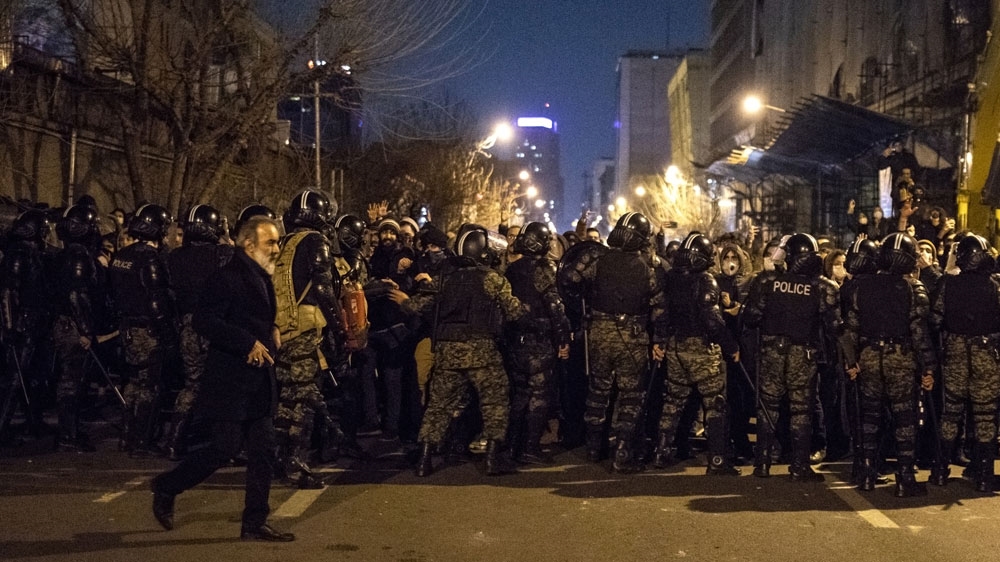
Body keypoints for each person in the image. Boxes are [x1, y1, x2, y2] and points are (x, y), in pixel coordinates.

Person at [150, 215, 295, 541]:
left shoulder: (261, 275)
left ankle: (254, 521)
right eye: (270, 242)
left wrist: (270, 328)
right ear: (249, 244)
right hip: (232, 381)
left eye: (277, 242)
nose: (276, 249)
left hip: (259, 382)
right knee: (222, 448)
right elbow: (204, 321)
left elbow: (254, 316)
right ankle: (167, 486)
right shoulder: (226, 277)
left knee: (263, 450)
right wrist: (246, 342)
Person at [391, 225, 526, 477]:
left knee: (438, 406)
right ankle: (492, 459)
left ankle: (424, 460)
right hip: (482, 352)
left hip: (447, 352)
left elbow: (417, 306)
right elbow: (514, 311)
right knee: (495, 402)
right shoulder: (492, 278)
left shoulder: (445, 279)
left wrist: (404, 300)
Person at [569, 212, 666, 473]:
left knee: (598, 391)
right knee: (631, 396)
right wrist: (659, 340)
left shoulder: (598, 260)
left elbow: (571, 279)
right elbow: (659, 307)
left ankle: (593, 448)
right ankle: (623, 452)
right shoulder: (647, 268)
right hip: (632, 337)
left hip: (599, 333)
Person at [843, 232, 936, 497]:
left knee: (870, 417)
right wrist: (929, 367)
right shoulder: (914, 289)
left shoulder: (862, 286)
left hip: (869, 356)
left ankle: (867, 474)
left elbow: (850, 329)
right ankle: (905, 478)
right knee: (904, 418)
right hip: (900, 357)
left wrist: (851, 361)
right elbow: (919, 333)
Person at [744, 233, 840, 481]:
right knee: (801, 410)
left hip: (771, 350)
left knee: (768, 406)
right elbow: (834, 327)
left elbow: (751, 318)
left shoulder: (767, 281)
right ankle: (799, 466)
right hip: (803, 353)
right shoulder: (822, 287)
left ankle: (762, 463)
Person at [652, 233, 740, 475]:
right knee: (715, 403)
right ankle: (718, 460)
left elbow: (662, 313)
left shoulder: (670, 278)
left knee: (673, 401)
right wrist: (731, 346)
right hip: (701, 348)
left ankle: (661, 452)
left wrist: (660, 340)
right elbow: (712, 320)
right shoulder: (706, 280)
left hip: (676, 346)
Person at [930, 234, 1000, 493]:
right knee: (985, 415)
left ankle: (940, 470)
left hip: (955, 352)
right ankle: (984, 475)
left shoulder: (948, 284)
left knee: (951, 413)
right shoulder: (996, 286)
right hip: (986, 354)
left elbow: (935, 320)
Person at [164, 204, 234, 460]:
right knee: (224, 384)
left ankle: (174, 441)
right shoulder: (222, 253)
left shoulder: (174, 257)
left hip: (188, 324)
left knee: (192, 384)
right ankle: (224, 445)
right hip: (215, 324)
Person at [109, 204, 177, 457]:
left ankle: (127, 436)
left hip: (127, 327)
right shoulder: (150, 258)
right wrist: (167, 333)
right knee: (150, 386)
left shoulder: (122, 256)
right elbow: (156, 300)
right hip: (148, 329)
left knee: (133, 382)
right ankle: (142, 442)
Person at [502, 222, 571, 463]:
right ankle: (530, 447)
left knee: (520, 393)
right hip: (539, 341)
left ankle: (513, 445)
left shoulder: (512, 269)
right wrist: (563, 338)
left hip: (516, 340)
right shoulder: (544, 269)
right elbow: (555, 306)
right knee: (539, 394)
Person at [51, 205, 106, 452]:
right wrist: (85, 330)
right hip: (72, 325)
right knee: (71, 381)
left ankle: (70, 431)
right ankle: (67, 435)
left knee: (73, 380)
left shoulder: (64, 254)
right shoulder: (78, 256)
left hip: (66, 323)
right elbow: (76, 294)